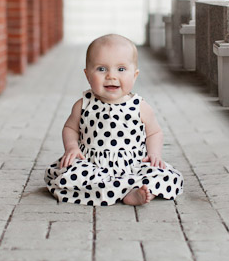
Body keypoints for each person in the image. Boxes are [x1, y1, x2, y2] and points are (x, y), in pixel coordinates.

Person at [44, 34, 183, 206]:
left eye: (121, 69)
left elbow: (154, 132)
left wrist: (154, 154)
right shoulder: (83, 105)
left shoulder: (140, 107)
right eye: (102, 69)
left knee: (168, 176)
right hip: (92, 165)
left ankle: (131, 192)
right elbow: (70, 128)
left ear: (135, 75)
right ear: (87, 75)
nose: (111, 76)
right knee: (67, 174)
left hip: (133, 165)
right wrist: (71, 147)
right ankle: (125, 191)